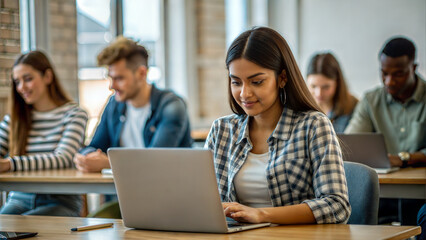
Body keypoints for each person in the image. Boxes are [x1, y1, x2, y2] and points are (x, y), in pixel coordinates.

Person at [205, 27, 350, 224]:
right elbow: (202, 202)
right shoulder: (221, 131)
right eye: (236, 82)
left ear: (282, 78)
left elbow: (337, 205)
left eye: (256, 82)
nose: (244, 93)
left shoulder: (313, 126)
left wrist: (261, 214)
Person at [73, 37, 192, 218]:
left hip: (168, 202)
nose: (112, 86)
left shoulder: (172, 106)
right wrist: (86, 157)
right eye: (110, 78)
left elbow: (155, 161)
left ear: (141, 73)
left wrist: (108, 162)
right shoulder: (114, 105)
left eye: (119, 78)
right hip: (123, 201)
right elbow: (94, 145)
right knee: (90, 226)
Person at [345, 37, 426, 225]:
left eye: (398, 74)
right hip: (381, 194)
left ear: (414, 68)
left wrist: (406, 158)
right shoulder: (371, 101)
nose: (389, 81)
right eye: (384, 73)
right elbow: (349, 142)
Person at [0, 51, 88, 216]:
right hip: (19, 198)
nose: (21, 88)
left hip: (61, 201)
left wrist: (10, 164)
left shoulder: (74, 114)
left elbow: (63, 158)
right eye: (17, 82)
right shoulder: (13, 120)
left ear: (48, 76)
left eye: (28, 79)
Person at [306, 53, 358, 133]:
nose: (319, 93)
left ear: (337, 83)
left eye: (326, 87)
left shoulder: (354, 107)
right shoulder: (302, 108)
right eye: (313, 86)